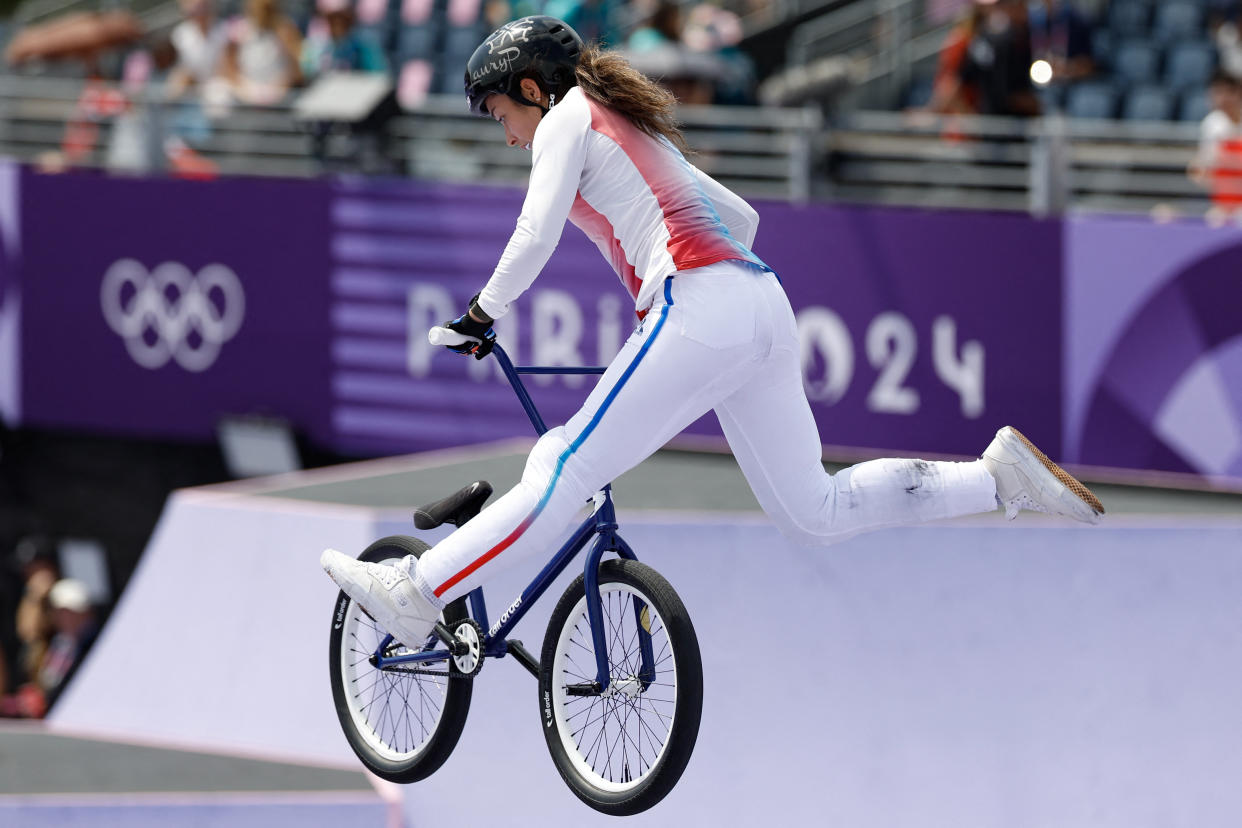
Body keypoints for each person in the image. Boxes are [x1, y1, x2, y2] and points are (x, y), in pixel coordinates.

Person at [321, 16, 1103, 648]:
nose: (508, 135)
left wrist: (478, 318)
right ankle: (999, 480)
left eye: (502, 113)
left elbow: (534, 234)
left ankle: (418, 592)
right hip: (760, 303)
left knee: (561, 465)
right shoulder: (632, 127)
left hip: (698, 305)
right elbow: (744, 219)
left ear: (532, 87)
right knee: (815, 512)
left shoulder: (567, 118)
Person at [1189, 70, 1242, 221]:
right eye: (1217, 93)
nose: (1222, 99)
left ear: (1238, 93)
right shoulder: (1212, 124)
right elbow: (1204, 166)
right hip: (1222, 200)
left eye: (1227, 93)